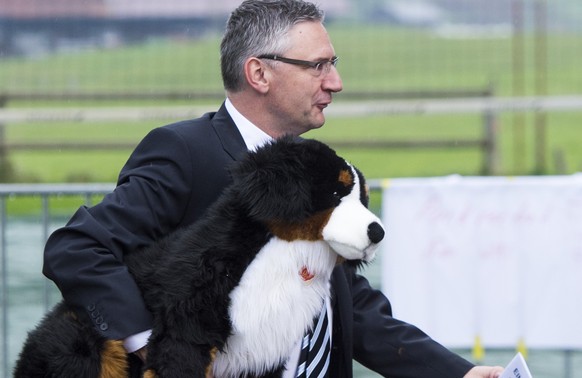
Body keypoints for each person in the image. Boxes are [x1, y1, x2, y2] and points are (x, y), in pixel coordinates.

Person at [43, 0, 505, 377]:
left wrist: (457, 373)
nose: (336, 82)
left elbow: (349, 309)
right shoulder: (185, 152)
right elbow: (78, 248)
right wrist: (152, 347)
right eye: (318, 65)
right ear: (259, 74)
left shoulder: (323, 172)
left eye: (334, 64)